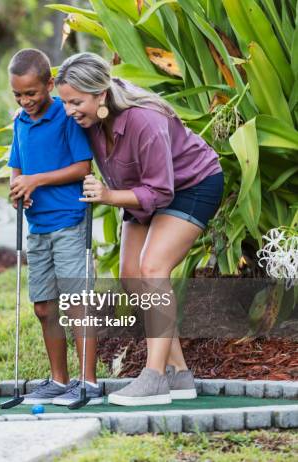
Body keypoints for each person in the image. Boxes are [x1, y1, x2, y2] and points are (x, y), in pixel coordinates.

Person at [55, 52, 224, 406]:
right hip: (137, 191)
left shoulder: (144, 120)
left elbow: (162, 190)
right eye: (65, 102)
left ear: (101, 94)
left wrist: (108, 195)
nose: (69, 111)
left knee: (153, 269)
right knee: (132, 276)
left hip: (191, 185)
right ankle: (179, 374)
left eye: (75, 102)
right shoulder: (88, 120)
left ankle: (154, 377)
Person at [7, 48, 102, 406]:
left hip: (69, 223)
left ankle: (88, 381)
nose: (25, 100)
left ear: (49, 84)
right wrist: (19, 189)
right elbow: (17, 168)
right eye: (18, 94)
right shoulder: (21, 122)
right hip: (38, 226)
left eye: (31, 93)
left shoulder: (65, 114)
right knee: (44, 307)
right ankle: (60, 380)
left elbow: (83, 167)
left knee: (78, 301)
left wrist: (37, 181)